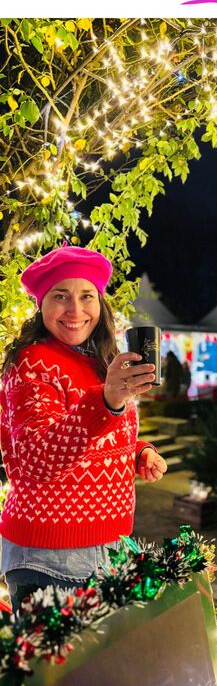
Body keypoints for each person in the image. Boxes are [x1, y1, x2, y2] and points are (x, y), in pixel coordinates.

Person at [0, 244, 167, 614]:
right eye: (61, 296)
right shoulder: (32, 363)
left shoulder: (96, 361)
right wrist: (105, 401)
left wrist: (139, 451)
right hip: (53, 557)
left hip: (103, 547)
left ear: (100, 304)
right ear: (41, 304)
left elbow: (99, 432)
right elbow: (36, 459)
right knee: (64, 674)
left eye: (86, 296)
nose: (75, 310)